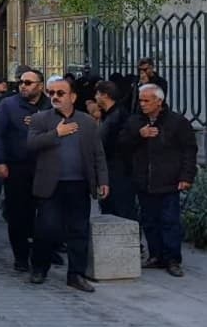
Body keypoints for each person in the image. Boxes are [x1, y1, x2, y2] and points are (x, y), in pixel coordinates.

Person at [27, 77, 109, 292]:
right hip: (50, 185)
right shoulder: (40, 119)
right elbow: (31, 144)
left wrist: (103, 180)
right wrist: (56, 133)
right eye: (51, 93)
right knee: (46, 228)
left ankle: (76, 274)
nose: (55, 97)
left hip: (79, 184)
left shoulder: (87, 122)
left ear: (73, 97)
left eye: (60, 93)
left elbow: (98, 153)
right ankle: (39, 268)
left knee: (78, 230)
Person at [119, 84, 197, 277]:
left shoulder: (177, 122)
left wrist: (186, 176)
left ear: (159, 101)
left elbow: (189, 150)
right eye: (141, 100)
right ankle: (156, 255)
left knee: (170, 221)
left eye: (147, 100)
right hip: (144, 180)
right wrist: (139, 135)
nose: (142, 104)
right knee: (149, 220)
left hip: (169, 181)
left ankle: (172, 259)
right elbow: (122, 144)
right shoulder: (135, 121)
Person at [0, 68, 49, 273]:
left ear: (40, 86)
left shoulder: (50, 105)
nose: (23, 86)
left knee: (46, 214)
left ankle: (43, 252)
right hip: (17, 167)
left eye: (28, 83)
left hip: (45, 167)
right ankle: (21, 256)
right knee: (18, 214)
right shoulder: (8, 105)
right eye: (21, 82)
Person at [94, 80, 136, 219]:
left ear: (105, 95)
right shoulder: (109, 115)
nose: (95, 97)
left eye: (97, 94)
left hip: (119, 171)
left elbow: (110, 142)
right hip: (111, 169)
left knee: (121, 210)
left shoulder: (118, 115)